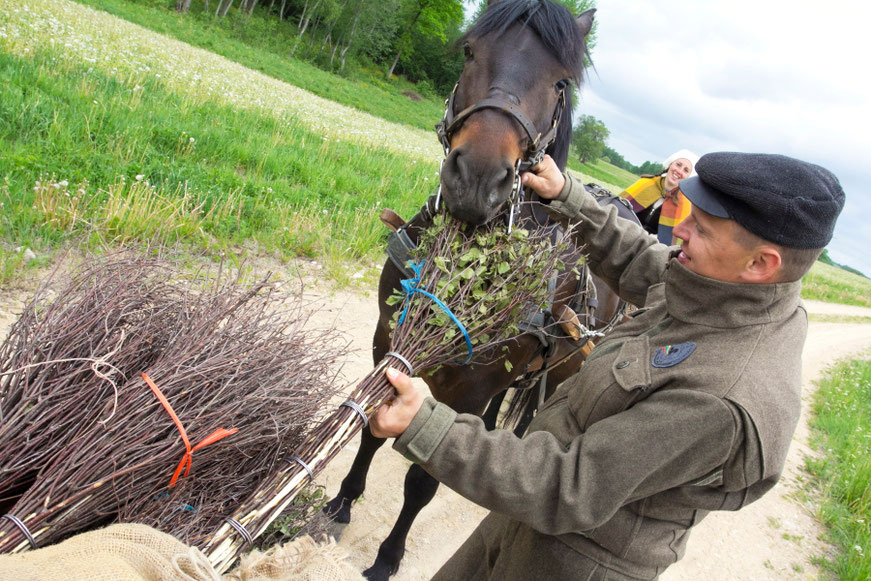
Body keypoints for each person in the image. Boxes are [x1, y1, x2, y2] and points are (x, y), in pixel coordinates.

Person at [369, 151, 845, 581]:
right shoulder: (724, 291)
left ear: (761, 263)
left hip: (572, 562)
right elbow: (641, 257)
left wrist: (427, 426)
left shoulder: (722, 397)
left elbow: (570, 485)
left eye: (701, 229)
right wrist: (567, 196)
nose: (679, 230)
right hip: (527, 517)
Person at [620, 149, 700, 244]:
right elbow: (618, 208)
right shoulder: (645, 183)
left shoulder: (685, 204)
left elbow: (676, 242)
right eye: (678, 165)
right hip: (622, 236)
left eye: (686, 170)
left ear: (689, 177)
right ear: (670, 164)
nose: (679, 171)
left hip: (650, 250)